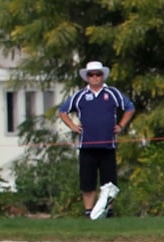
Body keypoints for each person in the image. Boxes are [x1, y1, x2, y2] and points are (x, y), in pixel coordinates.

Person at [57, 61, 135, 217]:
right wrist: (72, 126)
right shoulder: (80, 96)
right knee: (87, 182)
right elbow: (62, 111)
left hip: (108, 145)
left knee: (109, 182)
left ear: (102, 76)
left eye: (98, 74)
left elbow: (129, 108)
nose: (95, 77)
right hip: (87, 146)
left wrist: (121, 125)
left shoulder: (112, 93)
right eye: (91, 75)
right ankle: (88, 211)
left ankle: (108, 210)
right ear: (87, 77)